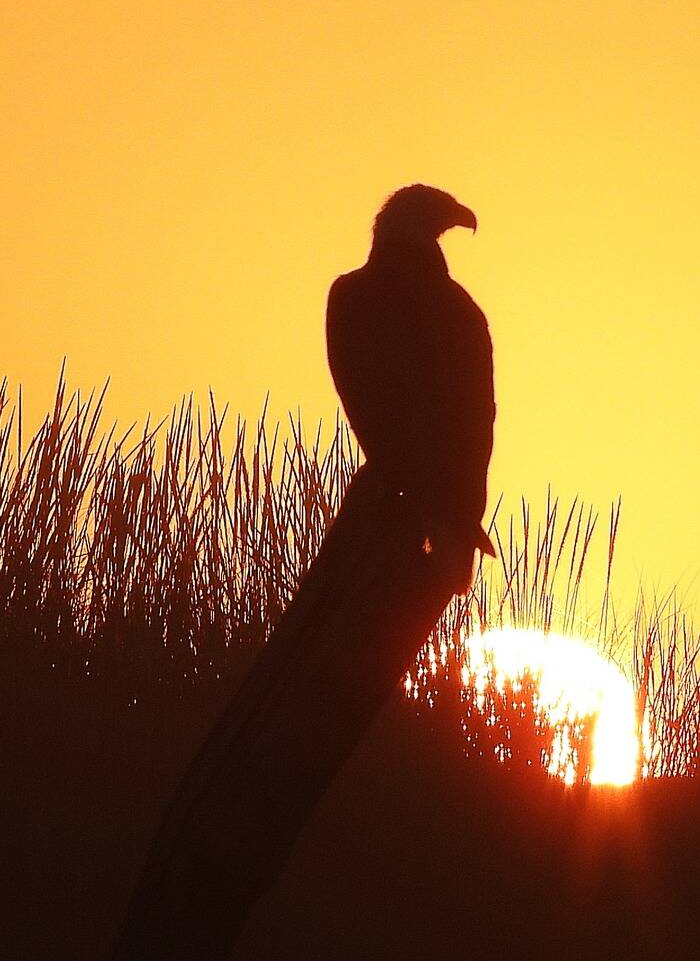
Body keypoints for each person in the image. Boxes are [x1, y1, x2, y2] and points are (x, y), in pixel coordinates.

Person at [113, 184, 495, 960]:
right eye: (439, 219)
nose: (455, 226)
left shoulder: (366, 302)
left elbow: (426, 413)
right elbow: (448, 418)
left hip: (413, 493)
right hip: (419, 496)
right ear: (415, 230)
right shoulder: (446, 312)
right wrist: (437, 493)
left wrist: (418, 483)